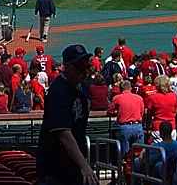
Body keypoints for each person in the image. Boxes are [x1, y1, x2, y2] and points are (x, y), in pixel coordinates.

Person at [35, 44, 99, 185]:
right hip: (55, 168)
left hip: (71, 163)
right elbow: (63, 133)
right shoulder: (58, 92)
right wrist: (84, 165)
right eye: (81, 67)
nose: (85, 71)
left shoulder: (80, 86)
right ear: (67, 67)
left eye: (87, 67)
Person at [107, 79, 145, 163]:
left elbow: (109, 112)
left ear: (120, 89)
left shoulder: (117, 98)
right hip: (137, 126)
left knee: (125, 156)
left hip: (125, 127)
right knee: (138, 154)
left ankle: (125, 173)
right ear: (130, 88)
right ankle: (137, 174)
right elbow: (142, 113)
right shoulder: (139, 98)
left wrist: (119, 113)